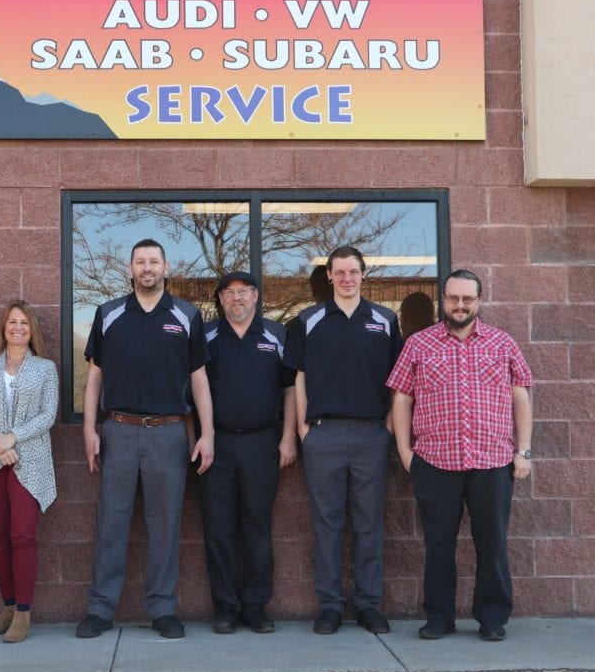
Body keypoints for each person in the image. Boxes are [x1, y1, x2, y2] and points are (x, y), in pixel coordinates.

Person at [76, 238, 214, 640]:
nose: (147, 267)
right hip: (118, 430)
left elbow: (199, 379)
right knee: (112, 521)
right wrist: (89, 429)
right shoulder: (109, 313)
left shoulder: (187, 315)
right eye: (140, 261)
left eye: (154, 261)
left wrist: (207, 434)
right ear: (131, 269)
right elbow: (95, 377)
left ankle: (163, 608)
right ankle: (100, 609)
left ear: (166, 268)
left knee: (165, 523)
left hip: (169, 433)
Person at [386, 269, 533, 642]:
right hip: (435, 461)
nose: (460, 305)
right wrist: (405, 452)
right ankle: (439, 618)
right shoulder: (418, 344)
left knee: (492, 542)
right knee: (438, 544)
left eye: (468, 298)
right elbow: (401, 399)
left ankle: (492, 618)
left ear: (479, 301)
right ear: (444, 300)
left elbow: (520, 395)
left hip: (493, 461)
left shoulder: (502, 343)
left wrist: (524, 451)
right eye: (453, 298)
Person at [284, 246, 402, 636]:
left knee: (369, 523)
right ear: (329, 277)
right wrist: (304, 431)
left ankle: (368, 605)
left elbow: (398, 379)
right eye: (340, 272)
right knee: (327, 523)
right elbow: (298, 377)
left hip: (372, 434)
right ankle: (330, 606)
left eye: (353, 271)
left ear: (364, 275)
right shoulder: (308, 320)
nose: (347, 278)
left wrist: (388, 426)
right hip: (324, 434)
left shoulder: (385, 320)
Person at [199, 271, 297, 634]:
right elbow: (193, 387)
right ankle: (226, 606)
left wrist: (288, 438)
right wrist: (201, 437)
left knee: (257, 524)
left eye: (244, 291)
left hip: (262, 442)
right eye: (229, 293)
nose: (236, 298)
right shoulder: (206, 335)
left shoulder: (277, 335)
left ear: (255, 296)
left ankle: (255, 605)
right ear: (220, 300)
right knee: (218, 527)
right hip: (217, 444)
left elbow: (291, 389)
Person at [0, 300, 59, 643]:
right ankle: (7, 607)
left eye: (24, 323)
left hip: (30, 459)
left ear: (32, 330)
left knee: (22, 536)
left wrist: (13, 438)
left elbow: (48, 415)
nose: (18, 328)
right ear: (3, 328)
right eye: (12, 322)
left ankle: (23, 613)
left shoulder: (46, 368)